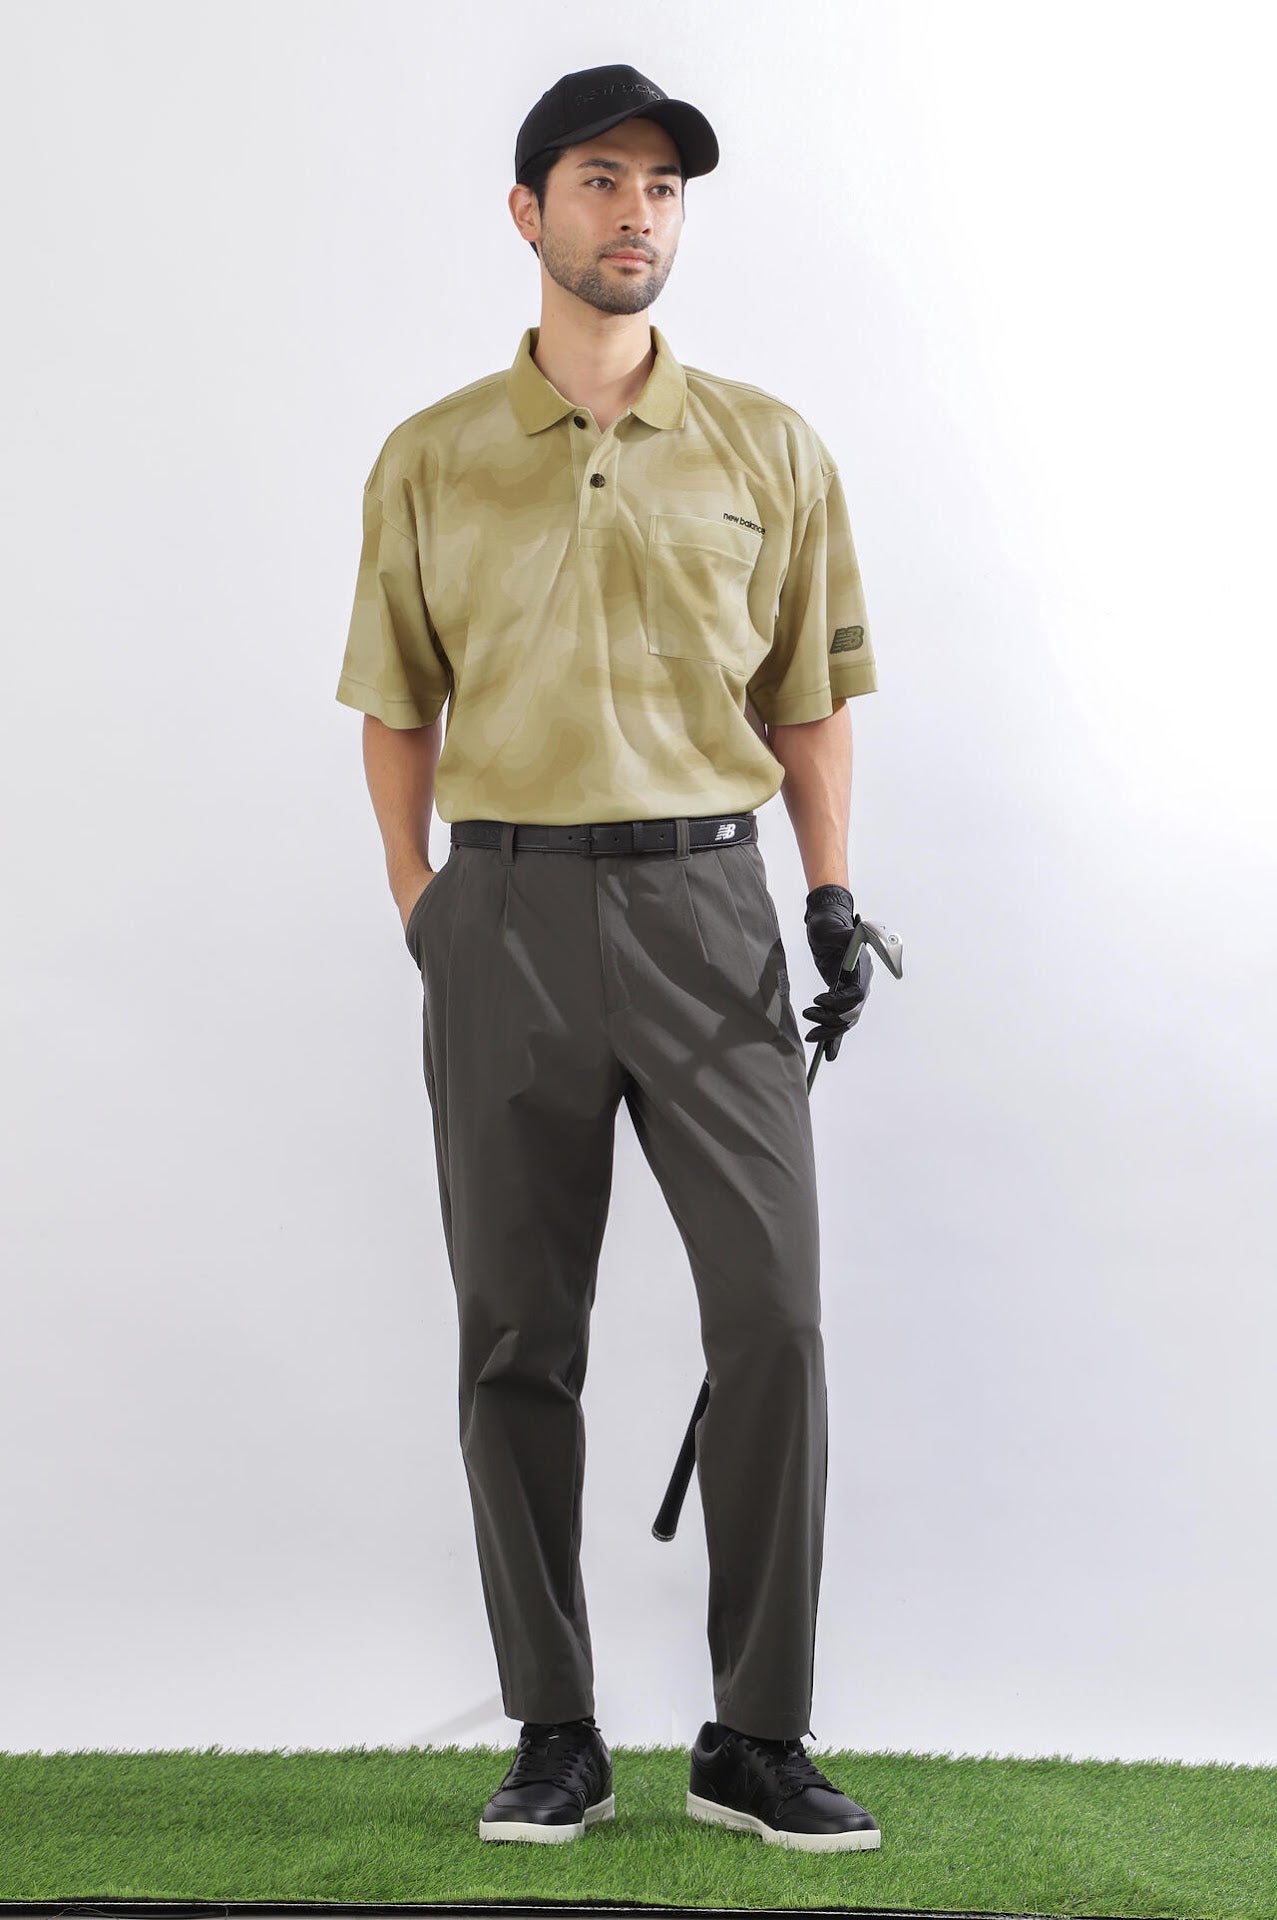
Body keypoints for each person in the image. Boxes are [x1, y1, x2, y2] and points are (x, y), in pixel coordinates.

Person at [335, 63, 883, 1855]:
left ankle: (755, 1735)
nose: (635, 211)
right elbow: (394, 702)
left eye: (660, 185)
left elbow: (808, 696)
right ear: (529, 211)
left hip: (710, 912)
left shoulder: (767, 446)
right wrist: (421, 899)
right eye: (598, 178)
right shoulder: (431, 454)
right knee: (516, 1331)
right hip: (501, 914)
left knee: (774, 1323)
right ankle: (553, 1727)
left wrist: (824, 893)